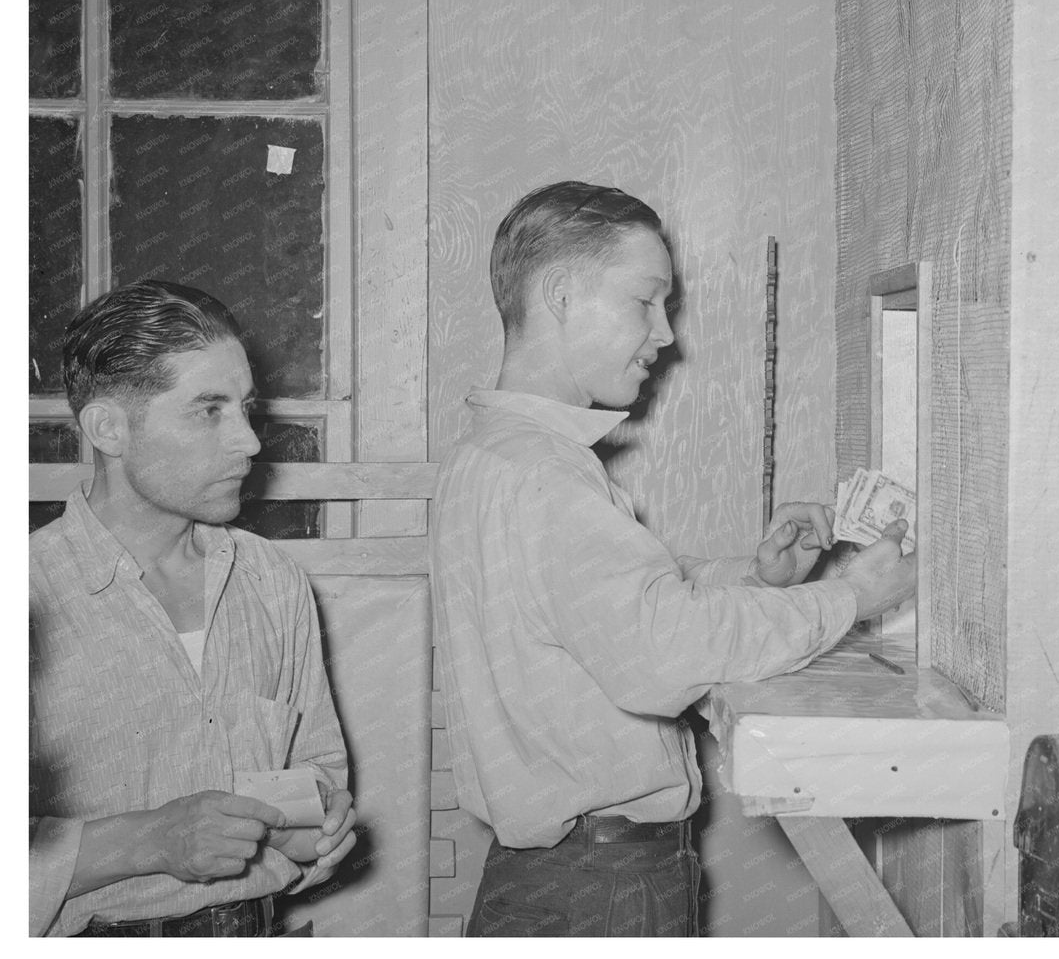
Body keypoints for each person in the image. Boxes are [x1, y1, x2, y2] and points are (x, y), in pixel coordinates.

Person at [431, 181, 916, 936]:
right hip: (603, 888)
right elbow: (663, 655)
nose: (666, 334)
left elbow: (602, 611)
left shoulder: (494, 455)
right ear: (560, 294)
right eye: (645, 301)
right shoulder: (546, 476)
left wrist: (756, 578)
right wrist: (850, 597)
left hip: (551, 881)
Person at [29, 280, 358, 936]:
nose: (250, 442)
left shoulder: (273, 580)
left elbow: (317, 774)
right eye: (209, 411)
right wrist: (150, 840)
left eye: (245, 409)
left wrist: (314, 826)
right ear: (108, 428)